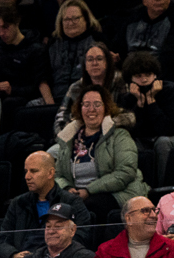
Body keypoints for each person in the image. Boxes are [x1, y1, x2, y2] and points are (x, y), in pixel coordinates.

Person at [51, 85, 147, 223]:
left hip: (118, 193)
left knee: (91, 206)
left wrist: (88, 190)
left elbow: (125, 172)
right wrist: (67, 188)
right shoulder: (69, 137)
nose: (91, 109)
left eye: (97, 104)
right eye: (86, 104)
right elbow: (57, 174)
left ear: (106, 108)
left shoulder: (120, 135)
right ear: (80, 108)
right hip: (77, 195)